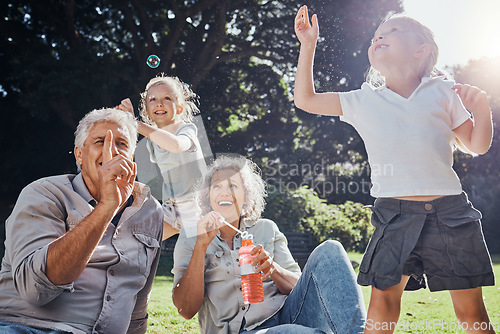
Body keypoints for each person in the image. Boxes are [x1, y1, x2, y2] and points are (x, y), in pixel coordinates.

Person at [294, 5, 495, 334]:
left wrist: (482, 110)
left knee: (470, 309)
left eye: (393, 31)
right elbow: (306, 99)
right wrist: (308, 45)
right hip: (394, 215)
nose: (379, 36)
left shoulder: (444, 91)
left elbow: (476, 144)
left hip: (450, 213)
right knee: (383, 302)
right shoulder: (362, 100)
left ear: (421, 51)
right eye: (376, 35)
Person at [0, 108, 171, 333]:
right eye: (100, 141)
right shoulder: (44, 193)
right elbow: (35, 290)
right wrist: (107, 207)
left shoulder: (150, 210)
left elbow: (138, 302)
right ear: (79, 155)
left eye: (122, 143)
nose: (111, 150)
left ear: (132, 156)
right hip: (26, 326)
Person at [172, 155, 366, 334]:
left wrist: (273, 268)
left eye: (233, 186)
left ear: (246, 198)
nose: (224, 192)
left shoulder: (267, 229)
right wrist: (200, 247)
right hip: (242, 331)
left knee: (331, 249)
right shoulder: (191, 237)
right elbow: (185, 310)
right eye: (217, 186)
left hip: (287, 315)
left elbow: (299, 289)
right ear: (207, 197)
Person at [118, 74, 207, 238]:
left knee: (203, 256)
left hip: (197, 206)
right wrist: (124, 125)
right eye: (152, 99)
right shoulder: (151, 141)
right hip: (171, 207)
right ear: (146, 110)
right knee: (138, 240)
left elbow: (176, 145)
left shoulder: (186, 129)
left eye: (167, 98)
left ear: (179, 108)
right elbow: (137, 168)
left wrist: (135, 123)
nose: (159, 103)